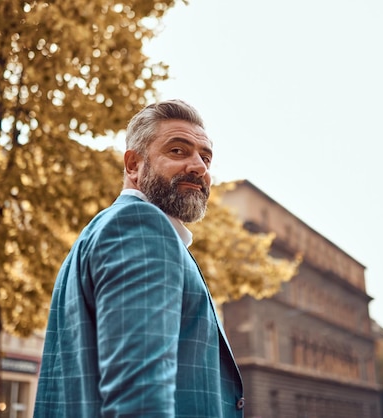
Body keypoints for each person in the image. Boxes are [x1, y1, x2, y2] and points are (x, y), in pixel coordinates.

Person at [33, 99, 245, 417]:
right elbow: (140, 404)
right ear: (133, 165)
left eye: (206, 157)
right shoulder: (141, 229)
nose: (199, 167)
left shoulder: (104, 233)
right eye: (178, 151)